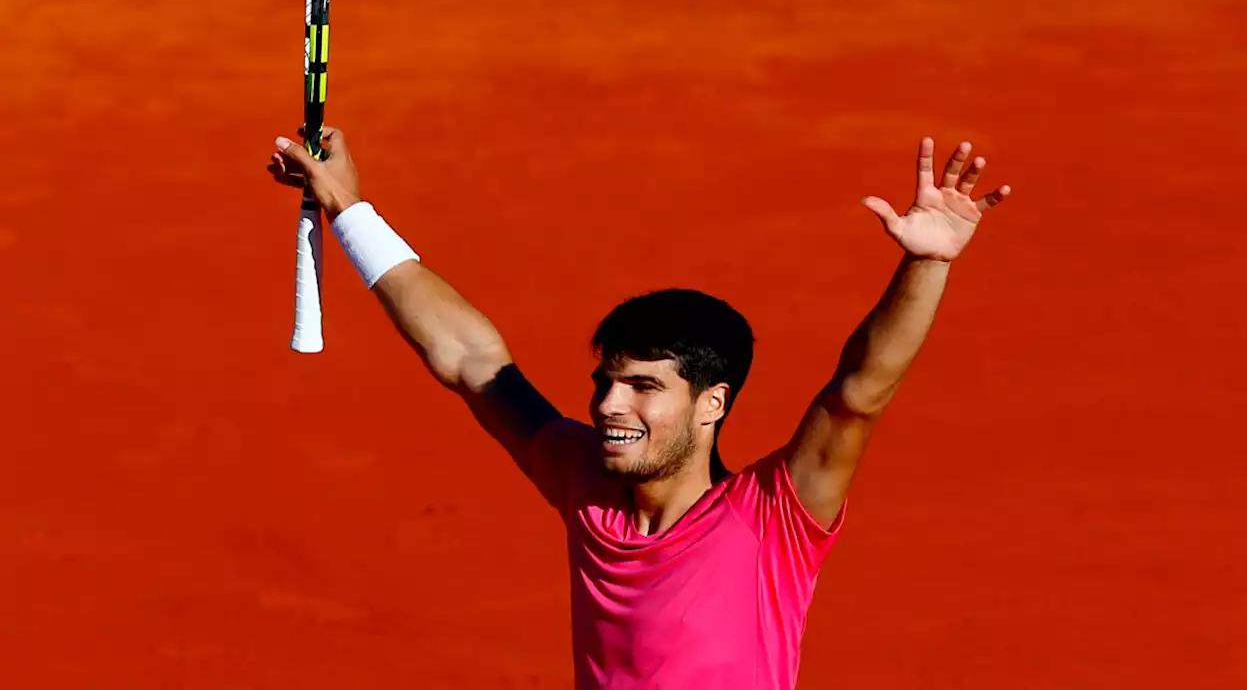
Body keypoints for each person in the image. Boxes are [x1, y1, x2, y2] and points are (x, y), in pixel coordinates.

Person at [267, 128, 1012, 689]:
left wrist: (927, 262)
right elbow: (470, 360)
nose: (607, 405)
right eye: (606, 381)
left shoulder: (774, 518)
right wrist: (351, 211)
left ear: (712, 403)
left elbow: (858, 393)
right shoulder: (587, 488)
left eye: (645, 387)